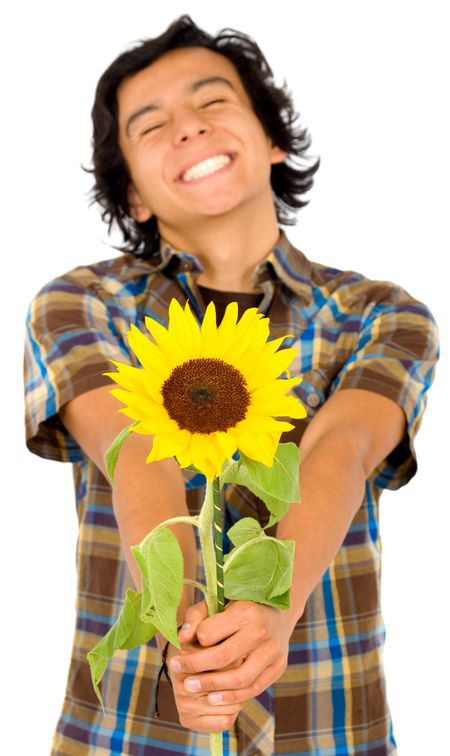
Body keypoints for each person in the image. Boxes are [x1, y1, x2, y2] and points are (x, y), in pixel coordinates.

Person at [23, 14, 439, 756]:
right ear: (134, 198)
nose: (187, 128)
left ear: (272, 139)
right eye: (150, 126)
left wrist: (269, 609)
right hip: (131, 728)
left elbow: (338, 450)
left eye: (212, 102)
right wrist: (195, 645)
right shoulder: (82, 304)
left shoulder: (381, 314)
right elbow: (135, 453)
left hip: (329, 727)